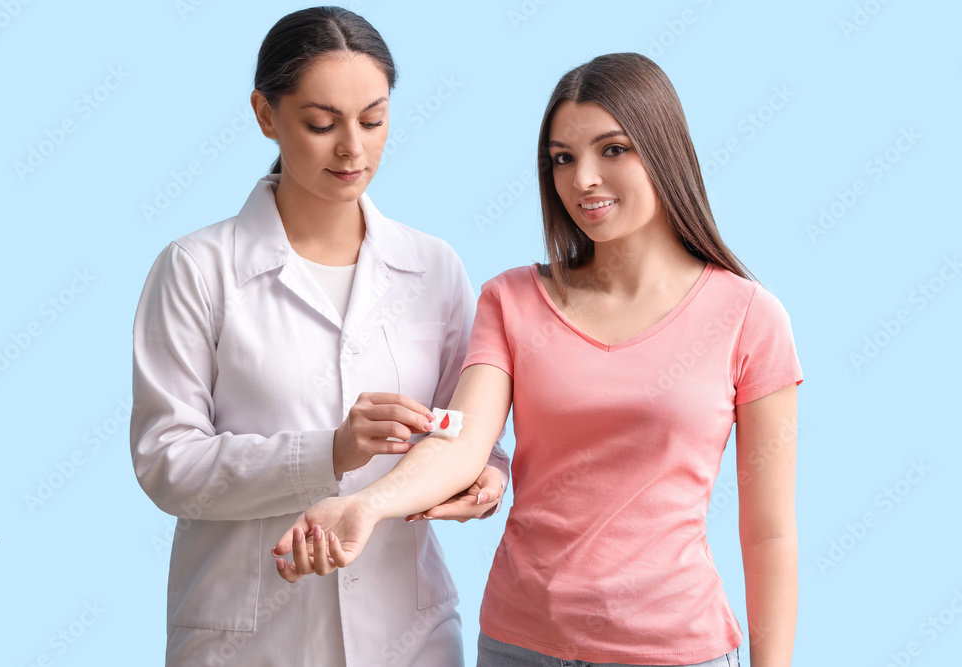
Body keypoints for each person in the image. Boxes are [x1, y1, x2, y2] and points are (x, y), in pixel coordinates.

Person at [273, 52, 802, 667]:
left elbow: (769, 533)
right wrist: (366, 505)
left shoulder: (749, 318)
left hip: (672, 649)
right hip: (518, 645)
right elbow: (462, 442)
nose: (583, 180)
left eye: (613, 150)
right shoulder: (513, 300)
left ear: (664, 151)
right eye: (563, 158)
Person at [130, 7, 509, 666]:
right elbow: (167, 462)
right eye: (321, 123)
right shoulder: (196, 268)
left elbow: (461, 426)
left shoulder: (434, 266)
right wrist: (328, 452)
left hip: (409, 634)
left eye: (373, 119)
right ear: (265, 114)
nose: (352, 149)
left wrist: (488, 475)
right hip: (250, 638)